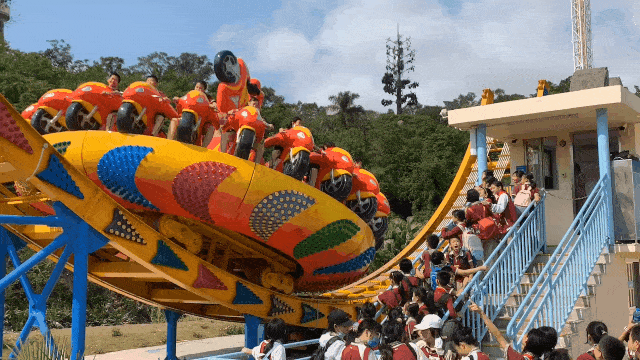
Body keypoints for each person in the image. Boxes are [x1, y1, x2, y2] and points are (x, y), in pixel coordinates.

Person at [469, 301, 557, 360]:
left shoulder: (517, 358)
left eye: (527, 334)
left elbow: (498, 336)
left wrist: (482, 313)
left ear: (527, 340)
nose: (524, 335)